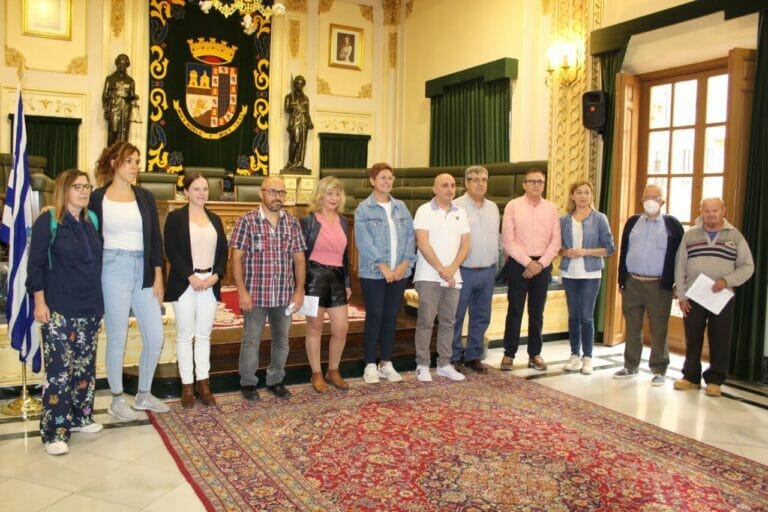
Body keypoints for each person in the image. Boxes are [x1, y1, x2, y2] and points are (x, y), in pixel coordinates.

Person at [90, 141, 168, 420]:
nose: (135, 166)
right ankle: (116, 398)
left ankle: (144, 394)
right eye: (129, 161)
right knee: (118, 336)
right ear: (114, 163)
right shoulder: (97, 198)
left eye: (137, 161)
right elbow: (88, 236)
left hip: (143, 268)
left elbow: (155, 239)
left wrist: (158, 275)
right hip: (113, 267)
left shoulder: (145, 197)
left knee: (155, 336)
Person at [27, 170, 103, 455]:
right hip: (59, 307)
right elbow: (35, 265)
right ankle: (55, 432)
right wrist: (39, 302)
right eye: (77, 187)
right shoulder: (48, 220)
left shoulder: (91, 219)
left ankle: (82, 417)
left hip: (89, 307)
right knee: (59, 372)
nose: (83, 192)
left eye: (87, 186)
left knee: (84, 367)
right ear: (63, 190)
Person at [230, 177, 306, 400]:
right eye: (273, 192)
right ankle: (248, 383)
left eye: (281, 193)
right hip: (255, 295)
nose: (277, 197)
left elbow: (299, 260)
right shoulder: (247, 221)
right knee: (251, 341)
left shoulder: (292, 223)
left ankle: (275, 380)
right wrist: (242, 292)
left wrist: (299, 291)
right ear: (261, 193)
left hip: (283, 294)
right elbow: (236, 259)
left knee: (282, 340)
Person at [673, 198, 754, 397]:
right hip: (694, 295)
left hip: (722, 297)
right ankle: (691, 377)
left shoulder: (735, 236)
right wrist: (681, 295)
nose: (711, 214)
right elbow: (680, 265)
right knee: (693, 337)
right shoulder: (690, 235)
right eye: (707, 210)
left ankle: (715, 380)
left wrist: (727, 280)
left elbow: (748, 266)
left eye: (715, 210)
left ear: (723, 211)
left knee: (720, 339)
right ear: (701, 211)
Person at [163, 173, 228, 408]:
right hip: (185, 283)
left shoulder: (215, 219)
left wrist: (216, 276)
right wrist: (190, 276)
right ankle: (187, 385)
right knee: (185, 335)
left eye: (205, 189)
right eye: (196, 189)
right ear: (186, 192)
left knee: (203, 335)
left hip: (209, 282)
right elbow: (172, 250)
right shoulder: (175, 218)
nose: (202, 193)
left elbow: (223, 252)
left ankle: (203, 383)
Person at [614, 184, 684, 386]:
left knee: (659, 328)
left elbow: (681, 257)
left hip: (659, 285)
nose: (651, 200)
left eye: (656, 196)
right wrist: (621, 279)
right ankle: (630, 365)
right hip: (632, 282)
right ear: (642, 199)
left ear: (662, 201)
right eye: (648, 196)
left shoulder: (672, 225)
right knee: (632, 326)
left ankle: (659, 369)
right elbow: (624, 251)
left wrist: (678, 284)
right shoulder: (633, 222)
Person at [354, 163, 416, 384]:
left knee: (391, 316)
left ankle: (386, 363)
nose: (387, 182)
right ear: (372, 181)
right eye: (382, 178)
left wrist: (403, 266)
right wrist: (384, 268)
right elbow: (364, 242)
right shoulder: (364, 209)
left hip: (399, 273)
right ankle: (370, 363)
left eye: (390, 178)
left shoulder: (401, 207)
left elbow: (410, 237)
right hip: (374, 273)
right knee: (375, 316)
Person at [500, 169, 560, 372]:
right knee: (515, 309)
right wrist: (528, 263)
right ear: (524, 184)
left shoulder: (551, 209)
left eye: (540, 181)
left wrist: (539, 264)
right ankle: (509, 354)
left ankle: (535, 354)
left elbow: (556, 241)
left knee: (537, 311)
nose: (536, 185)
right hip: (519, 264)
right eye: (532, 181)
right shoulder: (513, 206)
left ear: (544, 185)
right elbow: (507, 240)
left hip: (542, 265)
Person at [413, 173, 470, 382]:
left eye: (453, 185)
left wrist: (452, 269)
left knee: (448, 322)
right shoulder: (424, 210)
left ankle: (444, 364)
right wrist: (441, 269)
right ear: (434, 189)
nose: (450, 189)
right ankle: (422, 365)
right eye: (445, 185)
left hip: (453, 277)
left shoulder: (460, 213)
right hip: (428, 275)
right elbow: (423, 243)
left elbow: (466, 244)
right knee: (426, 321)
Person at [300, 177, 351, 393]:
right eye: (330, 193)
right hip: (314, 277)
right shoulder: (309, 221)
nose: (334, 198)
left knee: (341, 328)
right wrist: (299, 284)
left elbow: (345, 255)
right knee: (315, 328)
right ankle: (317, 373)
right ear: (320, 196)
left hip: (337, 277)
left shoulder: (343, 221)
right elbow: (300, 255)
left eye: (337, 194)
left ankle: (333, 370)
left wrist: (347, 282)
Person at [559, 180, 615, 375]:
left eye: (587, 192)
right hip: (569, 273)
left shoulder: (600, 218)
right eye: (579, 192)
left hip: (590, 273)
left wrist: (586, 251)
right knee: (573, 315)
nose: (583, 196)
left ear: (591, 196)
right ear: (572, 196)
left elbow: (609, 249)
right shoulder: (564, 220)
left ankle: (588, 357)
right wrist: (565, 252)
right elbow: (557, 247)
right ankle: (574, 354)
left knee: (586, 316)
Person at [451, 166, 499, 374]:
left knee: (481, 316)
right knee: (456, 315)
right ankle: (453, 356)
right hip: (463, 270)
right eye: (475, 179)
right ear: (466, 182)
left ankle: (473, 355)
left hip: (488, 271)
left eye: (484, 179)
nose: (480, 183)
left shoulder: (493, 207)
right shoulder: (455, 207)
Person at [102, 54, 138, 146]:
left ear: (127, 65)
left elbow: (132, 95)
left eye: (124, 64)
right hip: (114, 107)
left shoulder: (130, 81)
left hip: (126, 107)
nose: (122, 66)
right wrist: (106, 109)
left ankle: (122, 152)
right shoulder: (110, 78)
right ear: (117, 64)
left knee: (124, 132)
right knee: (113, 130)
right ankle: (110, 151)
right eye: (120, 64)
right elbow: (105, 95)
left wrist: (135, 97)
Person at [284, 75, 313, 171]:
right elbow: (286, 109)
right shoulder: (289, 96)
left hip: (304, 122)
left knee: (303, 143)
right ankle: (290, 162)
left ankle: (300, 163)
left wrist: (310, 122)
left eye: (301, 84)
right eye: (298, 84)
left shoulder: (305, 98)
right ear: (295, 84)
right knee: (295, 142)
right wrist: (291, 107)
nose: (300, 86)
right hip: (295, 121)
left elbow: (307, 112)